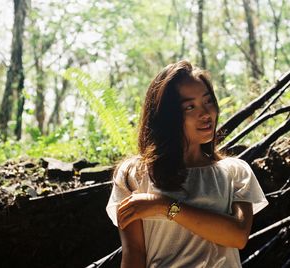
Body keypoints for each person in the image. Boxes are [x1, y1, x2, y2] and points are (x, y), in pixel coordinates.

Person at [106, 60, 268, 268]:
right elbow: (134, 254)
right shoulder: (134, 174)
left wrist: (164, 206)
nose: (206, 114)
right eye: (190, 106)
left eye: (208, 101)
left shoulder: (235, 172)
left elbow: (237, 236)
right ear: (167, 116)